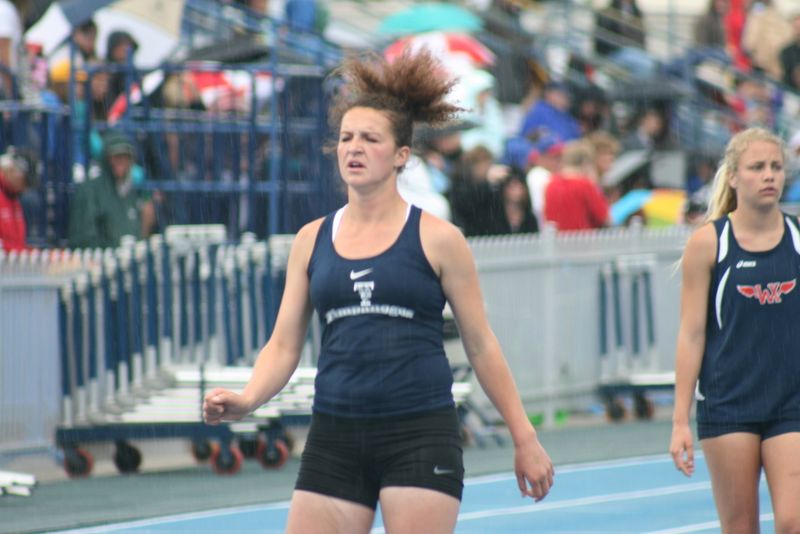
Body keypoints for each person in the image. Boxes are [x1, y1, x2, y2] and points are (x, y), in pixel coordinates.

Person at [203, 49, 553, 533]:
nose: (355, 148)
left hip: (419, 435)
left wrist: (523, 436)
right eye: (347, 137)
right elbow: (283, 346)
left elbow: (480, 345)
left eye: (370, 139)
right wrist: (247, 400)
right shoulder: (310, 240)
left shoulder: (439, 239)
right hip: (335, 436)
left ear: (401, 155)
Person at [669, 127, 800, 533]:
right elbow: (691, 334)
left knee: (793, 521)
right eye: (757, 167)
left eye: (775, 167)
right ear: (733, 176)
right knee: (740, 526)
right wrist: (679, 419)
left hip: (791, 401)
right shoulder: (709, 243)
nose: (769, 175)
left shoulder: (797, 238)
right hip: (729, 403)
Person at [67, 131, 155, 249]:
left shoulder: (130, 193)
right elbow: (83, 238)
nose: (121, 162)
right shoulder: (90, 191)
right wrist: (113, 248)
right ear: (106, 159)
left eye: (125, 157)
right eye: (116, 157)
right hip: (100, 258)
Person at [0, 146, 33, 251]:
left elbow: (18, 242)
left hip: (13, 258)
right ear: (10, 171)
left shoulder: (14, 198)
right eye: (23, 180)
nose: (24, 187)